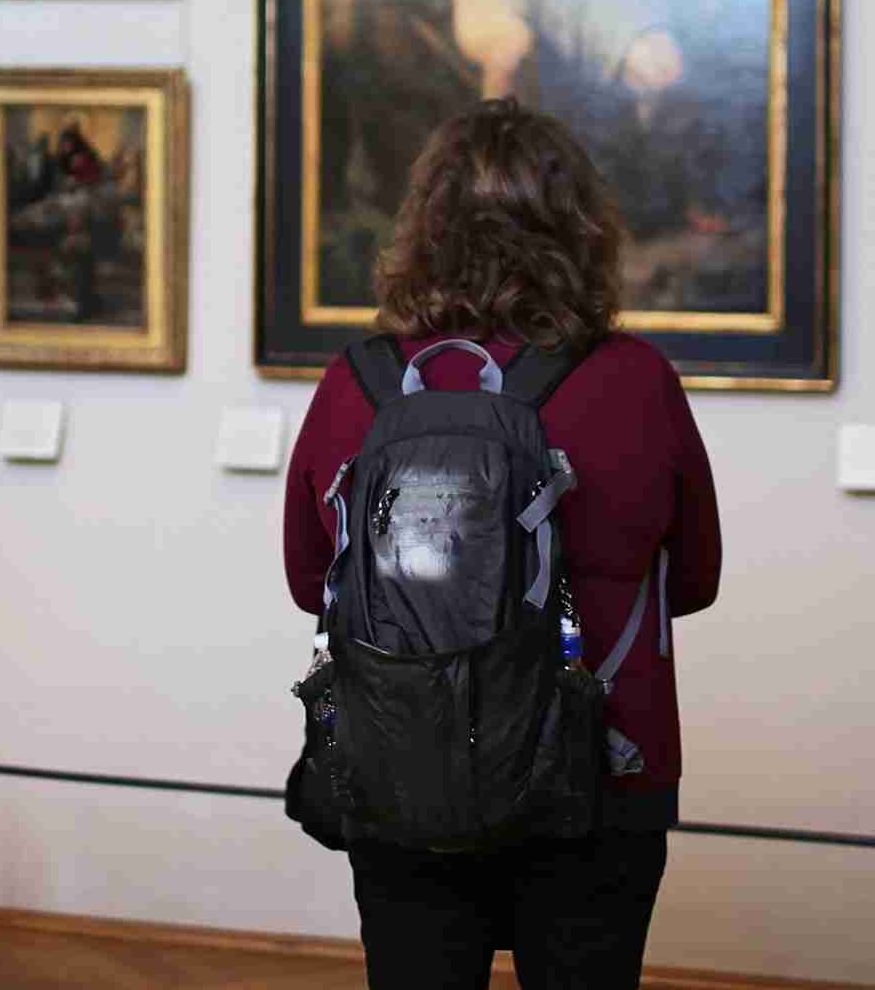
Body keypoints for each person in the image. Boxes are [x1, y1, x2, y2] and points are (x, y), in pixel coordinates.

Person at [282, 97, 722, 989]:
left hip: (402, 759)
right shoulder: (634, 381)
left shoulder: (358, 385)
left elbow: (306, 581)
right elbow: (696, 581)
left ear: (422, 229)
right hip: (600, 769)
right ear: (583, 229)